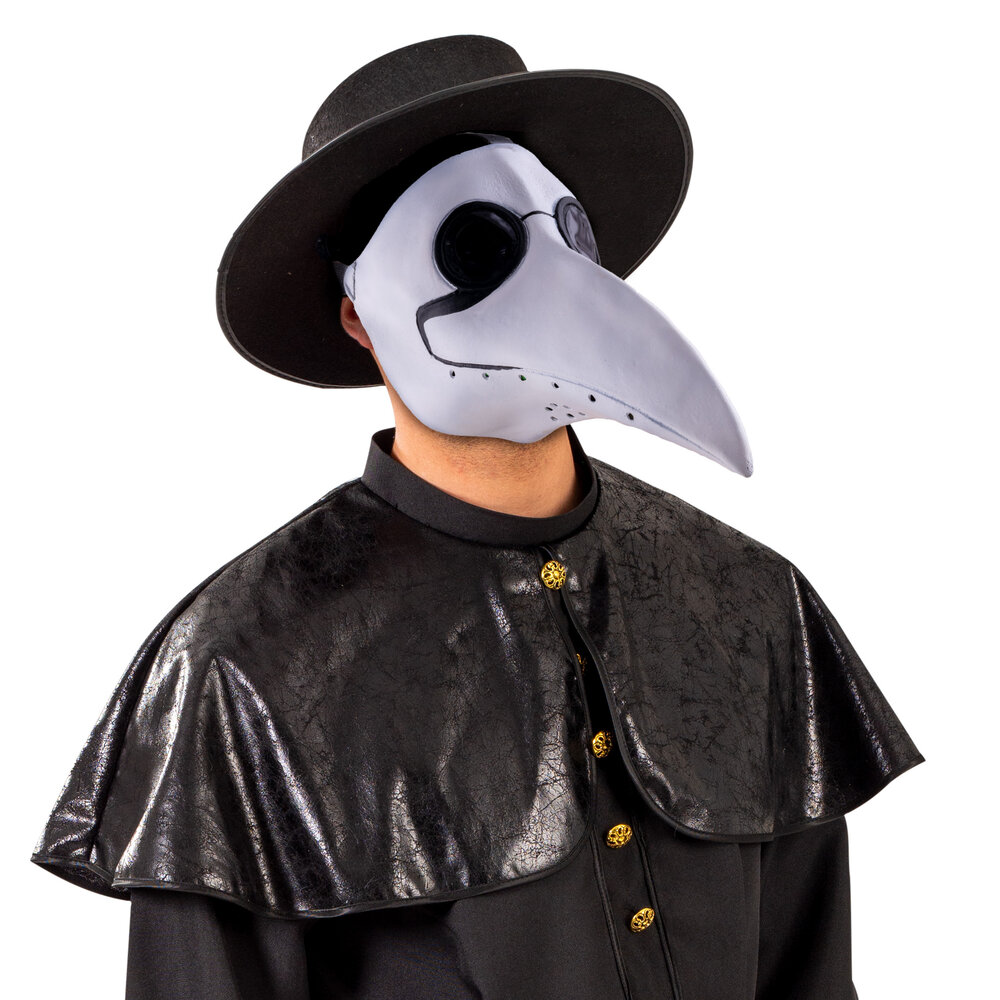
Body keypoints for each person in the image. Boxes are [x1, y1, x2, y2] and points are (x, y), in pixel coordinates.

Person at [32, 35, 924, 999]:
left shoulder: (749, 601)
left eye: (568, 236)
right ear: (358, 316)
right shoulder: (242, 666)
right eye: (478, 247)